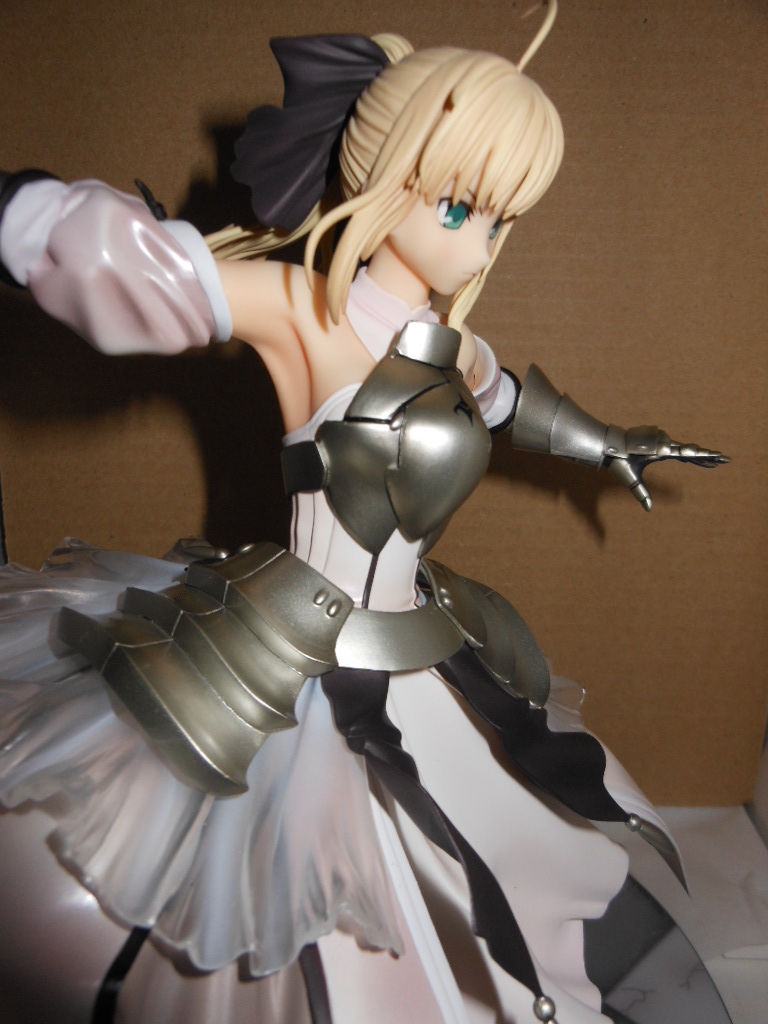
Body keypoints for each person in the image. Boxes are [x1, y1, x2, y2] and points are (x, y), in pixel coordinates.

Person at [0, 6, 726, 1022]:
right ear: (391, 180)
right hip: (294, 642)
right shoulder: (305, 313)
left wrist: (612, 441)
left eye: (503, 220)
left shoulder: (450, 345)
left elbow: (510, 403)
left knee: (489, 835)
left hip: (417, 636)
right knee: (311, 879)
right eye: (464, 207)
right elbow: (161, 276)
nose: (483, 244)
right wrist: (33, 218)